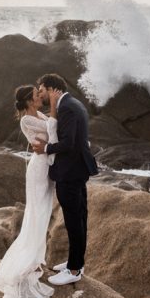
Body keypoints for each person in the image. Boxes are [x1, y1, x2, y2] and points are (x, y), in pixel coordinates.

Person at [0, 84, 58, 298]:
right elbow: (52, 127)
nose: (41, 97)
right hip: (39, 169)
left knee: (43, 212)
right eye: (37, 95)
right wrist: (56, 105)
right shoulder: (26, 121)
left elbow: (51, 129)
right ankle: (27, 262)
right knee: (36, 213)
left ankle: (36, 259)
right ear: (29, 101)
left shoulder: (37, 114)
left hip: (46, 166)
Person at [31, 73, 98, 286]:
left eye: (41, 89)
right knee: (79, 218)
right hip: (77, 170)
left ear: (51, 89)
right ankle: (75, 262)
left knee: (74, 221)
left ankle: (74, 269)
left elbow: (68, 143)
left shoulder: (67, 107)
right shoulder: (72, 103)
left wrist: (46, 148)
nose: (39, 93)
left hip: (70, 172)